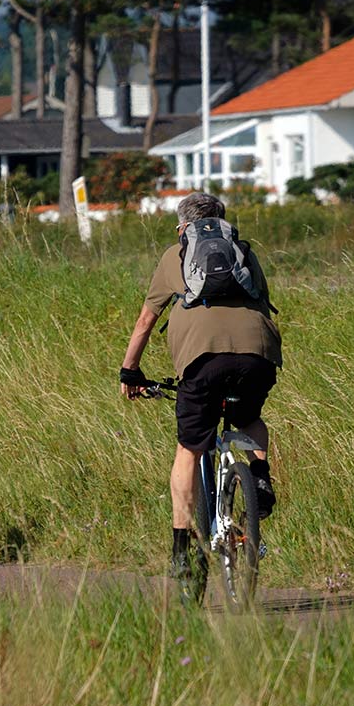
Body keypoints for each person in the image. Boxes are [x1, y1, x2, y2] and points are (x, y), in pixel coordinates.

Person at [119, 192, 282, 583]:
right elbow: (264, 303)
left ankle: (181, 547)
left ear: (182, 227)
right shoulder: (244, 251)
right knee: (250, 419)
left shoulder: (175, 255)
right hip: (257, 353)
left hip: (202, 362)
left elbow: (145, 321)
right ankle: (258, 474)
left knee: (190, 449)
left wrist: (130, 370)